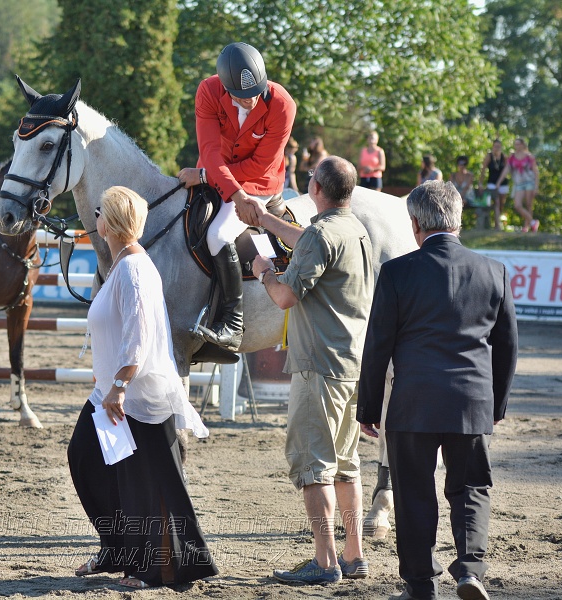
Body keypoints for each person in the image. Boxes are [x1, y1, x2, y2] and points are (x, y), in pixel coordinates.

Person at [357, 180, 518, 600]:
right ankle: (469, 571)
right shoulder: (494, 271)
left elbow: (377, 347)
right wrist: (496, 404)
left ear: (415, 223)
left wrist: (369, 406)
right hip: (472, 402)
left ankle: (421, 584)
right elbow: (507, 348)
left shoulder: (396, 272)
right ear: (459, 220)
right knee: (471, 489)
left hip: (413, 403)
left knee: (412, 493)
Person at [67, 186, 218, 590]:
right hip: (113, 390)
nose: (93, 217)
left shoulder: (134, 268)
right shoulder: (121, 264)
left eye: (99, 211)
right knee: (86, 458)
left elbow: (139, 331)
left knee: (146, 484)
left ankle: (154, 570)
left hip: (135, 393)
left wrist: (119, 383)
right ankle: (117, 548)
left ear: (111, 221)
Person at [246, 157, 373, 585]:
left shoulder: (321, 234)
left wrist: (264, 273)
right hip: (351, 365)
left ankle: (325, 561)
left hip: (317, 366)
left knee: (312, 467)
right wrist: (266, 220)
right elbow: (311, 240)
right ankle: (354, 555)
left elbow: (284, 297)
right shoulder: (354, 229)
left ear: (316, 187)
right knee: (346, 466)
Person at [176, 42, 296, 352]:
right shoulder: (208, 91)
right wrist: (213, 177)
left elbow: (260, 164)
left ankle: (233, 322)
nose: (251, 101)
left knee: (217, 235)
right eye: (242, 96)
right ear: (225, 87)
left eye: (256, 92)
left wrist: (209, 178)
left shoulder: (282, 105)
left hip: (260, 183)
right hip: (218, 176)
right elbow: (211, 153)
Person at [495, 138, 539, 232]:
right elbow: (506, 170)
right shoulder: (512, 157)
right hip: (518, 183)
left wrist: (536, 186)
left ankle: (526, 227)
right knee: (517, 205)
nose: (517, 146)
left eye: (519, 144)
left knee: (528, 205)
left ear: (523, 145)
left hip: (529, 182)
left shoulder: (529, 157)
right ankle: (533, 222)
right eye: (515, 144)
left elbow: (535, 172)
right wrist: (498, 182)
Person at [479, 140, 509, 230]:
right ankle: (497, 226)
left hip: (503, 184)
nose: (497, 148)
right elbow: (483, 170)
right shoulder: (489, 156)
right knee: (496, 202)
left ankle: (497, 220)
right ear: (492, 146)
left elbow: (507, 170)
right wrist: (480, 183)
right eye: (495, 146)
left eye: (499, 146)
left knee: (501, 205)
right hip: (492, 183)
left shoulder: (504, 157)